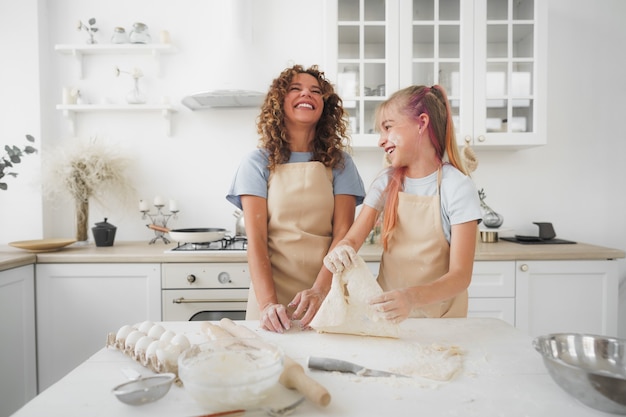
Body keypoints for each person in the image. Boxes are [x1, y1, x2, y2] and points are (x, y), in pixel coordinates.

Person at [323, 85, 481, 323]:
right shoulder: (386, 181)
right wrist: (342, 249)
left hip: (443, 321)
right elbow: (353, 238)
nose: (380, 140)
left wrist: (410, 298)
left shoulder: (456, 187)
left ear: (421, 123)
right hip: (388, 318)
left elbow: (460, 276)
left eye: (387, 127)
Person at [226, 64, 366, 333]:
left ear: (324, 106)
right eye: (296, 89)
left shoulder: (340, 163)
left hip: (327, 289)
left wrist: (320, 290)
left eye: (316, 91)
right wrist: (268, 304)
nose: (307, 94)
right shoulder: (257, 163)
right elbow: (256, 242)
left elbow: (343, 236)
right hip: (271, 292)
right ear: (280, 102)